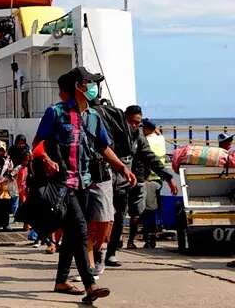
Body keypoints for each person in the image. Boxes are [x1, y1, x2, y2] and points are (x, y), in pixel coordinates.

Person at [33, 66, 136, 304]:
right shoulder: (56, 112)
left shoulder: (94, 116)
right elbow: (37, 144)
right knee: (80, 230)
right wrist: (47, 159)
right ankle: (90, 286)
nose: (93, 87)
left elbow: (103, 147)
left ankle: (61, 280)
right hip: (62, 185)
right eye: (90, 83)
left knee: (72, 235)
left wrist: (122, 167)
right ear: (79, 86)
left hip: (84, 185)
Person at [118, 106, 178, 254]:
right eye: (131, 122)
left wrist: (168, 178)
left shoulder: (140, 136)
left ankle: (130, 241)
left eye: (137, 123)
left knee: (137, 212)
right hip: (120, 178)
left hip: (140, 179)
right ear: (124, 118)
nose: (134, 125)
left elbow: (150, 157)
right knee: (118, 212)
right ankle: (115, 244)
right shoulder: (117, 134)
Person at [141, 119, 166, 248]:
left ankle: (149, 239)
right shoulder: (160, 138)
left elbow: (147, 161)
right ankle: (155, 231)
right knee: (155, 208)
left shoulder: (147, 141)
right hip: (159, 179)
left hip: (149, 178)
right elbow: (157, 132)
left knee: (148, 210)